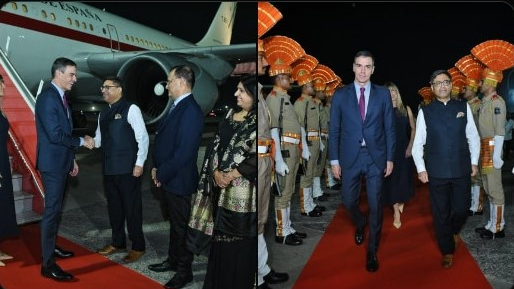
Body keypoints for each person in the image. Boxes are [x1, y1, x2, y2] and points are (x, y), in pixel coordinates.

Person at [328, 50, 395, 272]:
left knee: (376, 206)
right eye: (359, 66)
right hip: (350, 157)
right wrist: (334, 160)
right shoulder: (340, 95)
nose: (363, 70)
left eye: (368, 66)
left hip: (375, 157)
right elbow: (334, 130)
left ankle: (372, 251)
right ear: (353, 67)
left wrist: (389, 158)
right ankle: (359, 222)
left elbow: (389, 128)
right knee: (348, 201)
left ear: (373, 69)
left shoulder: (383, 94)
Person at [193, 74, 257, 289]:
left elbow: (260, 156)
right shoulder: (230, 115)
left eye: (242, 91)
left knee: (239, 244)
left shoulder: (261, 121)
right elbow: (215, 147)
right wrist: (215, 173)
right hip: (220, 191)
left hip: (244, 195)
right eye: (237, 89)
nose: (236, 94)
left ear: (254, 95)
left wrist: (232, 174)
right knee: (220, 241)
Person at [412, 69, 480, 269]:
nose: (443, 85)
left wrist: (474, 162)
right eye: (438, 83)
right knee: (440, 212)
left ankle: (452, 230)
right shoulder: (426, 111)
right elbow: (418, 144)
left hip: (461, 168)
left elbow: (473, 137)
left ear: (451, 85)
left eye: (446, 82)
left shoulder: (463, 106)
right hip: (437, 171)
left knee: (462, 208)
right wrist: (421, 169)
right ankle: (447, 250)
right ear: (432, 87)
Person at [35, 57, 92, 281]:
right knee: (51, 212)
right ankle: (47, 264)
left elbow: (63, 133)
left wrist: (72, 159)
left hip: (62, 161)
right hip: (51, 165)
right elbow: (56, 135)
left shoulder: (61, 97)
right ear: (58, 73)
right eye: (71, 74)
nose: (75, 79)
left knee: (57, 210)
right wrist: (81, 142)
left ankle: (52, 247)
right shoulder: (48, 98)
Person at [151, 65, 204, 289]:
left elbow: (184, 152)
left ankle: (185, 272)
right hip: (169, 177)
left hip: (178, 179)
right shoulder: (177, 106)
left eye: (169, 81)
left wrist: (161, 171)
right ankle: (173, 261)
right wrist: (157, 168)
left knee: (182, 228)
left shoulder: (191, 110)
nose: (166, 85)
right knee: (174, 224)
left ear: (181, 82)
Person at [89, 76, 149, 263]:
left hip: (128, 170)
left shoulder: (130, 109)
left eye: (108, 87)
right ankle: (118, 243)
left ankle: (138, 246)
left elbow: (143, 138)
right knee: (114, 209)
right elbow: (99, 141)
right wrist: (89, 141)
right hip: (109, 170)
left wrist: (139, 163)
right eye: (102, 87)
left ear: (119, 89)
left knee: (131, 210)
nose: (103, 90)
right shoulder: (103, 114)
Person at [266, 51, 310, 246]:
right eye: (288, 77)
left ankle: (288, 226)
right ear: (279, 78)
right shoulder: (274, 98)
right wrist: (279, 159)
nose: (291, 80)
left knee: (289, 189)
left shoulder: (284, 97)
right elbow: (273, 127)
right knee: (283, 192)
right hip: (284, 149)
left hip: (292, 149)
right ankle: (281, 231)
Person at [256, 39, 289, 289]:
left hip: (264, 164)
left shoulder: (260, 94)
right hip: (256, 165)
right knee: (255, 222)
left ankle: (263, 270)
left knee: (259, 222)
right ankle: (257, 274)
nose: (266, 62)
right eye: (261, 57)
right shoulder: (265, 97)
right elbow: (273, 129)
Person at [474, 67, 507, 240]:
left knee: (495, 188)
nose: (479, 83)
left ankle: (498, 227)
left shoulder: (497, 102)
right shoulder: (485, 102)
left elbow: (500, 130)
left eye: (482, 80)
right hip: (484, 147)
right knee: (487, 186)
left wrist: (496, 155)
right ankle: (492, 222)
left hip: (492, 147)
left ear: (490, 82)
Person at [382, 82, 416, 229]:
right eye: (388, 91)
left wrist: (410, 146)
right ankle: (396, 211)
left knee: (403, 179)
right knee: (392, 181)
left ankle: (400, 202)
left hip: (403, 149)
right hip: (389, 151)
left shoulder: (405, 109)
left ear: (397, 92)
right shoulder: (383, 110)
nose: (392, 93)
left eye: (394, 90)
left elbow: (414, 129)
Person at [293, 73, 325, 217]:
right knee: (306, 175)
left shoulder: (312, 102)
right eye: (312, 86)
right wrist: (304, 146)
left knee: (311, 173)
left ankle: (310, 203)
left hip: (316, 142)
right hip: (308, 143)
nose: (314, 88)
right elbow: (300, 125)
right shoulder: (300, 102)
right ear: (305, 87)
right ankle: (305, 206)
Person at [0, 74, 19, 267]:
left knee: (3, 204)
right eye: (1, 85)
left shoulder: (2, 111)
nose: (4, 89)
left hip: (2, 161)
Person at [461, 77, 485, 216]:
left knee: (478, 176)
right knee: (470, 176)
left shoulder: (478, 105)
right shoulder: (466, 105)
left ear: (474, 89)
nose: (464, 90)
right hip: (467, 145)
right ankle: (471, 203)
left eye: (466, 88)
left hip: (477, 144)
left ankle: (478, 205)